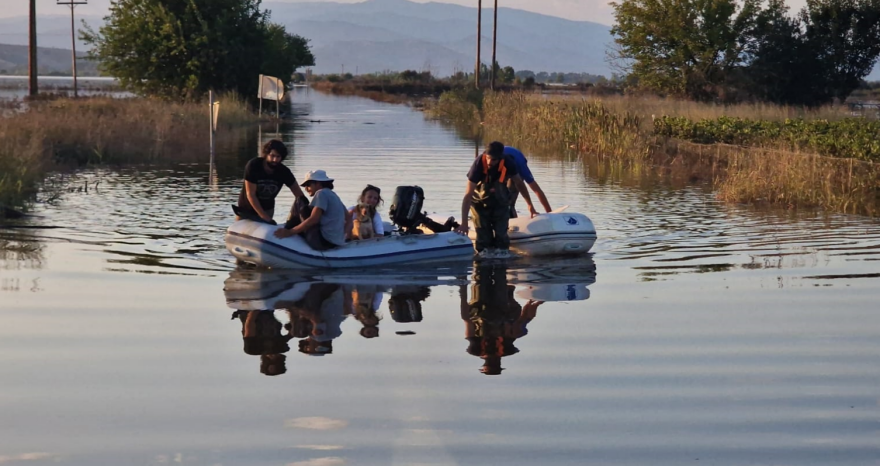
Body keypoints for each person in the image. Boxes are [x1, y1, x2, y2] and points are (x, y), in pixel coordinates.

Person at [454, 141, 538, 259]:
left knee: (501, 236)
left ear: (500, 158)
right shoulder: (478, 164)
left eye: (493, 160)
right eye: (488, 158)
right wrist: (464, 223)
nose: (489, 162)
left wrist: (530, 205)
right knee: (483, 238)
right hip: (479, 202)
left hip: (500, 202)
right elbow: (468, 195)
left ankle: (502, 260)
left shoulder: (508, 162)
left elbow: (519, 183)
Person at [274, 170, 349, 251]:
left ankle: (287, 228)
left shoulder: (321, 193)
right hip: (335, 242)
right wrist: (341, 237)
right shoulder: (333, 195)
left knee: (300, 201)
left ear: (319, 184)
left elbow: (314, 219)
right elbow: (348, 218)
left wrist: (291, 232)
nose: (306, 188)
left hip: (322, 242)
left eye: (308, 185)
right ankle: (292, 227)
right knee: (308, 208)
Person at [236, 139, 306, 224]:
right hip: (246, 210)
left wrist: (309, 212)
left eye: (278, 157)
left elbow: (299, 195)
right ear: (266, 154)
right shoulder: (254, 166)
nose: (275, 160)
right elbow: (250, 194)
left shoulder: (284, 171)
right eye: (272, 156)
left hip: (267, 209)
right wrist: (265, 217)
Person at [503, 146, 553, 218]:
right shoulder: (493, 161)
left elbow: (537, 190)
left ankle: (512, 219)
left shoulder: (521, 168)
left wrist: (550, 213)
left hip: (517, 160)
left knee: (510, 201)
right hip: (500, 163)